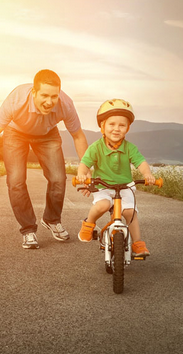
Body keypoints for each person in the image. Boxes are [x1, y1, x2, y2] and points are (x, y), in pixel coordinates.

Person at [0, 69, 88, 249]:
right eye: (44, 95)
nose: (49, 102)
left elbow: (78, 136)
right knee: (16, 180)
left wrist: (85, 167)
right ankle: (28, 229)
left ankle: (52, 219)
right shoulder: (16, 100)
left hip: (47, 133)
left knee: (58, 178)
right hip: (16, 132)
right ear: (34, 92)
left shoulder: (66, 104)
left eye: (54, 96)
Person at [76, 99, 155, 257]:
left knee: (129, 212)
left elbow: (141, 163)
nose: (116, 129)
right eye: (111, 124)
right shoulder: (96, 147)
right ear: (102, 126)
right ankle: (88, 224)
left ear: (128, 128)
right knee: (102, 205)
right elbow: (84, 163)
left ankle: (138, 244)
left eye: (122, 125)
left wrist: (147, 174)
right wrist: (82, 175)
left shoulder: (130, 148)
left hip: (125, 186)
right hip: (103, 186)